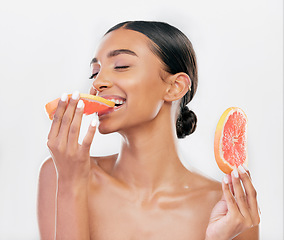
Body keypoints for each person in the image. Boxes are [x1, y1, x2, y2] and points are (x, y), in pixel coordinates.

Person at [37, 21, 260, 240]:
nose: (98, 83)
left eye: (121, 66)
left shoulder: (229, 208)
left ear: (175, 87)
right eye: (94, 73)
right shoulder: (60, 173)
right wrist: (70, 184)